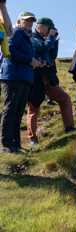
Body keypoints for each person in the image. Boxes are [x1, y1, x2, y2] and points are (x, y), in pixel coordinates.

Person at [27, 17, 75, 145]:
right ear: (41, 26)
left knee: (64, 98)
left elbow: (52, 55)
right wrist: (51, 38)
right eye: (49, 28)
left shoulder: (46, 38)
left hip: (48, 79)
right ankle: (32, 138)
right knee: (34, 108)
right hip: (36, 78)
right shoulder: (32, 37)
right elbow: (42, 48)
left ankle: (70, 128)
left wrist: (55, 40)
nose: (50, 31)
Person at [0, 12, 41, 153]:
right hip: (13, 76)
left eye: (31, 21)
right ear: (19, 21)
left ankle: (15, 144)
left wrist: (35, 62)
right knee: (11, 109)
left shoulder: (26, 37)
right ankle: (6, 144)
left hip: (24, 77)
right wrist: (30, 61)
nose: (30, 23)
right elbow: (9, 51)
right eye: (26, 20)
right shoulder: (16, 33)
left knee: (17, 112)